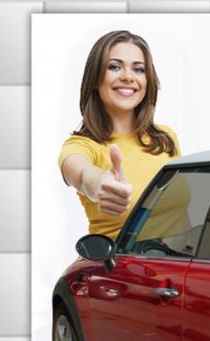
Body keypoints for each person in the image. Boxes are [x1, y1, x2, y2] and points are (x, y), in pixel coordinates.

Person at [59, 30, 181, 239]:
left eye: (138, 69)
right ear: (95, 78)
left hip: (172, 259)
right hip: (115, 260)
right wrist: (100, 185)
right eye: (114, 67)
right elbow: (83, 174)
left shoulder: (166, 139)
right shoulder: (80, 146)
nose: (128, 77)